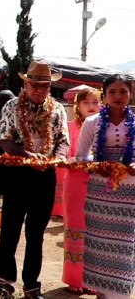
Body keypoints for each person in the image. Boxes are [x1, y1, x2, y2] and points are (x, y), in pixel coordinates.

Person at [0, 61, 69, 299]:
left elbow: (63, 141)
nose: (40, 90)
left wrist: (57, 158)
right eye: (35, 85)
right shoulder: (11, 106)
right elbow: (4, 141)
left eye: (45, 85)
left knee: (36, 233)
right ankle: (3, 283)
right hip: (17, 173)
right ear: (25, 84)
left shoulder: (57, 109)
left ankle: (31, 286)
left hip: (44, 175)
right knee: (10, 230)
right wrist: (27, 155)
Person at [75, 75, 135, 298]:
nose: (118, 96)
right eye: (112, 92)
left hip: (129, 193)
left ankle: (121, 293)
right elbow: (80, 157)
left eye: (123, 91)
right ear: (104, 95)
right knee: (99, 245)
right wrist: (96, 166)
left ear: (131, 94)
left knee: (126, 245)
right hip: (100, 194)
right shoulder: (92, 122)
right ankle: (102, 293)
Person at [62, 87, 99, 294]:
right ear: (77, 105)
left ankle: (92, 280)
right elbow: (64, 154)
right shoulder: (69, 127)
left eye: (95, 102)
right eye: (86, 102)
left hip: (99, 182)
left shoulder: (104, 126)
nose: (91, 106)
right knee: (76, 227)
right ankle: (74, 278)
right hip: (76, 181)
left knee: (95, 231)